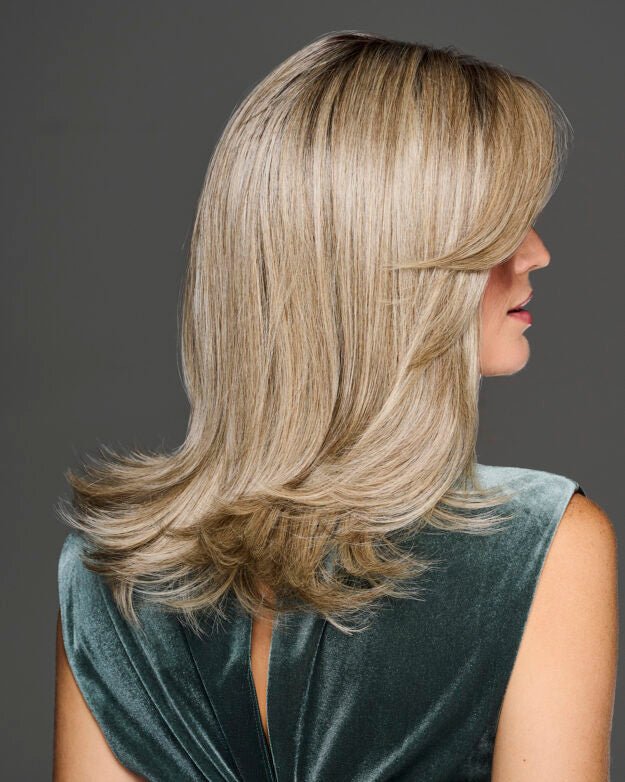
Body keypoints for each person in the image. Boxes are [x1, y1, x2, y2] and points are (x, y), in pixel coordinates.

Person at [53, 31, 618, 781]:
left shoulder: (112, 573)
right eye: (498, 223)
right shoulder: (539, 548)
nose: (537, 251)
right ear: (395, 260)